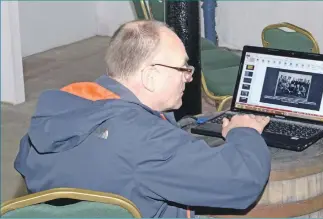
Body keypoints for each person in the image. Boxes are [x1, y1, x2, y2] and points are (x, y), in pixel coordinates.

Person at [14, 20, 271, 218]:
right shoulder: (147, 140)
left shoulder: (60, 109)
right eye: (183, 68)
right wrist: (245, 131)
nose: (189, 77)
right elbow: (242, 182)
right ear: (150, 77)